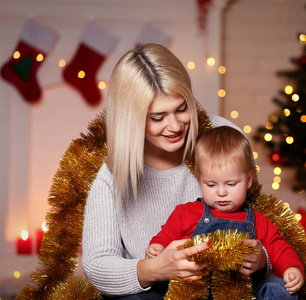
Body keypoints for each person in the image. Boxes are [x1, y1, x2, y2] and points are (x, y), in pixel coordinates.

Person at [81, 43, 269, 299]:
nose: (174, 126)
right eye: (158, 117)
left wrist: (262, 259)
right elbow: (98, 264)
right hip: (151, 290)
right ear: (131, 118)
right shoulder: (110, 175)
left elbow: (262, 223)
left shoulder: (222, 137)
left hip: (224, 285)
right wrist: (155, 269)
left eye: (181, 109)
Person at [146, 126, 304, 298]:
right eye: (211, 185)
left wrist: (292, 268)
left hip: (243, 290)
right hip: (195, 288)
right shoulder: (186, 212)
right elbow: (165, 237)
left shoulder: (257, 219)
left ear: (249, 180)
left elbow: (279, 249)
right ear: (199, 179)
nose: (221, 193)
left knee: (276, 287)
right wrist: (157, 248)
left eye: (231, 184)